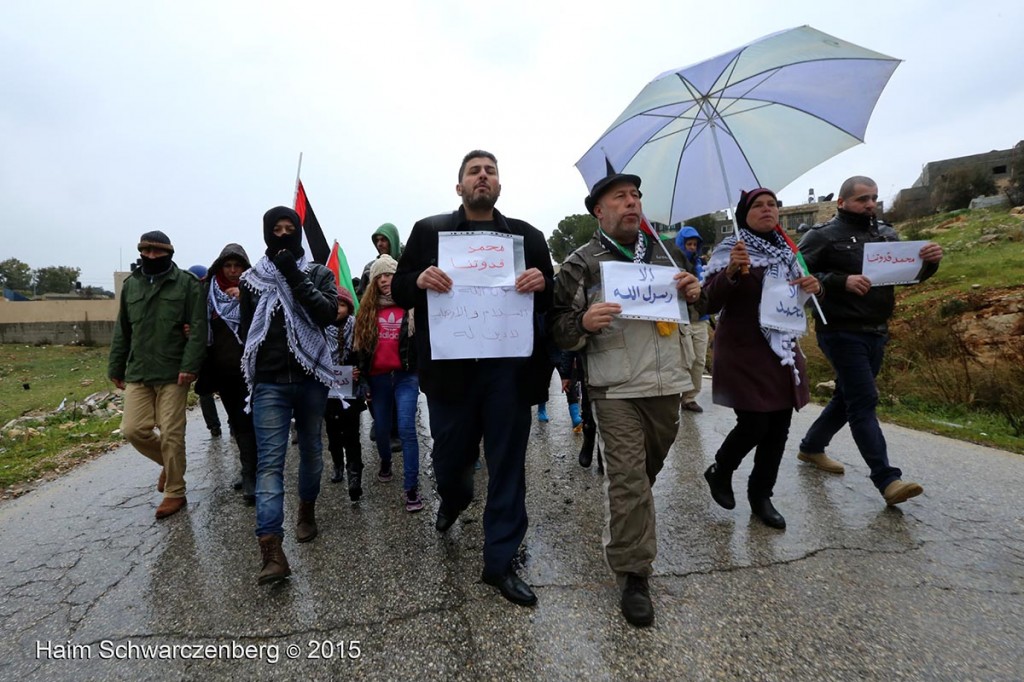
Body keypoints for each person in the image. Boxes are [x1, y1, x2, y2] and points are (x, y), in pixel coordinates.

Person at [392, 150, 553, 608]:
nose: (483, 176)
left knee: (507, 467)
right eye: (473, 171)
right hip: (450, 374)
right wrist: (419, 278)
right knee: (450, 460)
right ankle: (454, 497)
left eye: (491, 171)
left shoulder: (527, 236)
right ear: (459, 185)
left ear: (499, 184)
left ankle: (499, 561)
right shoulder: (429, 231)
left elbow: (549, 301)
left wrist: (543, 283)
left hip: (507, 372)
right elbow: (400, 288)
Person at [550, 171, 703, 627]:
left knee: (645, 471)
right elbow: (557, 325)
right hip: (614, 386)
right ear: (599, 210)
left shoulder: (664, 251)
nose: (633, 202)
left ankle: (626, 522)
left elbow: (691, 306)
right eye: (621, 197)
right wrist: (583, 322)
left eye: (637, 195)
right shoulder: (581, 262)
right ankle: (634, 572)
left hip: (666, 382)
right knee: (629, 479)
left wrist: (696, 292)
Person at [796, 176, 943, 506]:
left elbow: (908, 276)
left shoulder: (886, 233)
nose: (871, 204)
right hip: (840, 330)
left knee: (847, 395)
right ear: (842, 202)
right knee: (863, 399)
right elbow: (796, 276)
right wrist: (839, 282)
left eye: (874, 198)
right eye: (863, 198)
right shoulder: (821, 236)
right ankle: (887, 479)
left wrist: (930, 263)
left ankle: (811, 447)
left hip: (876, 329)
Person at [701, 189, 822, 530]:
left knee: (779, 427)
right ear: (744, 214)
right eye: (758, 205)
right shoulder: (731, 251)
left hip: (781, 350)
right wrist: (731, 273)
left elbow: (799, 301)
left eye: (772, 205)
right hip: (744, 350)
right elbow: (708, 302)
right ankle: (721, 469)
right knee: (755, 423)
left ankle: (761, 496)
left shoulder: (789, 253)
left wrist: (815, 287)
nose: (767, 210)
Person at [239, 206, 338, 585]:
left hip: (312, 378)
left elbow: (327, 314)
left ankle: (307, 509)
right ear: (266, 234)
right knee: (270, 464)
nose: (283, 236)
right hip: (269, 384)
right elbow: (249, 333)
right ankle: (271, 550)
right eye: (276, 230)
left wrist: (292, 274)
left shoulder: (318, 273)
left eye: (289, 229)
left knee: (312, 450)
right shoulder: (251, 280)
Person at [108, 230, 206, 519]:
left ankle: (175, 491)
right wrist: (116, 366)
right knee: (132, 430)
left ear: (169, 253)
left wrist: (190, 366)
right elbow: (123, 330)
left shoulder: (186, 284)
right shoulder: (131, 286)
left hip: (174, 372)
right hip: (139, 371)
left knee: (172, 433)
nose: (151, 255)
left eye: (157, 251)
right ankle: (169, 463)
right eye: (146, 251)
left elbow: (198, 329)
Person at [354, 254, 423, 512]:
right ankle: (385, 461)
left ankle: (412, 488)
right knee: (381, 429)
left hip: (406, 377)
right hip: (379, 379)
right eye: (379, 276)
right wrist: (362, 380)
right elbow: (360, 350)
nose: (384, 280)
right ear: (373, 282)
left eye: (389, 274)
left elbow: (421, 343)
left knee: (406, 428)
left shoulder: (411, 306)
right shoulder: (367, 311)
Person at [194, 244, 258, 504]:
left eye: (238, 266)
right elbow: (199, 325)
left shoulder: (255, 289)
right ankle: (249, 470)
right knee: (237, 423)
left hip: (252, 370)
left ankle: (256, 473)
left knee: (253, 421)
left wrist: (245, 297)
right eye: (228, 266)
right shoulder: (208, 293)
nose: (232, 271)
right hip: (223, 371)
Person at [323, 286, 366, 502]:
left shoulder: (356, 328)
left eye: (341, 305)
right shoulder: (319, 329)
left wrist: (359, 369)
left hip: (351, 388)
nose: (337, 309)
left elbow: (364, 354)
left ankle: (354, 475)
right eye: (334, 305)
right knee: (332, 432)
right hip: (327, 390)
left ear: (349, 308)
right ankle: (337, 463)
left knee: (352, 434)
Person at [675, 226, 712, 413]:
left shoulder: (702, 265)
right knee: (685, 359)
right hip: (681, 319)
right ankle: (675, 395)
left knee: (698, 360)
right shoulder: (672, 264)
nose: (691, 247)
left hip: (700, 318)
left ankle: (689, 397)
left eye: (694, 244)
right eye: (688, 244)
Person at [188, 264, 223, 437]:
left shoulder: (215, 295)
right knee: (206, 390)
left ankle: (227, 425)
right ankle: (216, 426)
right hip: (202, 350)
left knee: (221, 387)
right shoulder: (190, 299)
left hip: (215, 348)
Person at [357, 223, 402, 297]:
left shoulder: (407, 265)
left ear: (393, 241)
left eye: (383, 240)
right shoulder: (369, 268)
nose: (379, 244)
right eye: (377, 240)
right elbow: (361, 297)